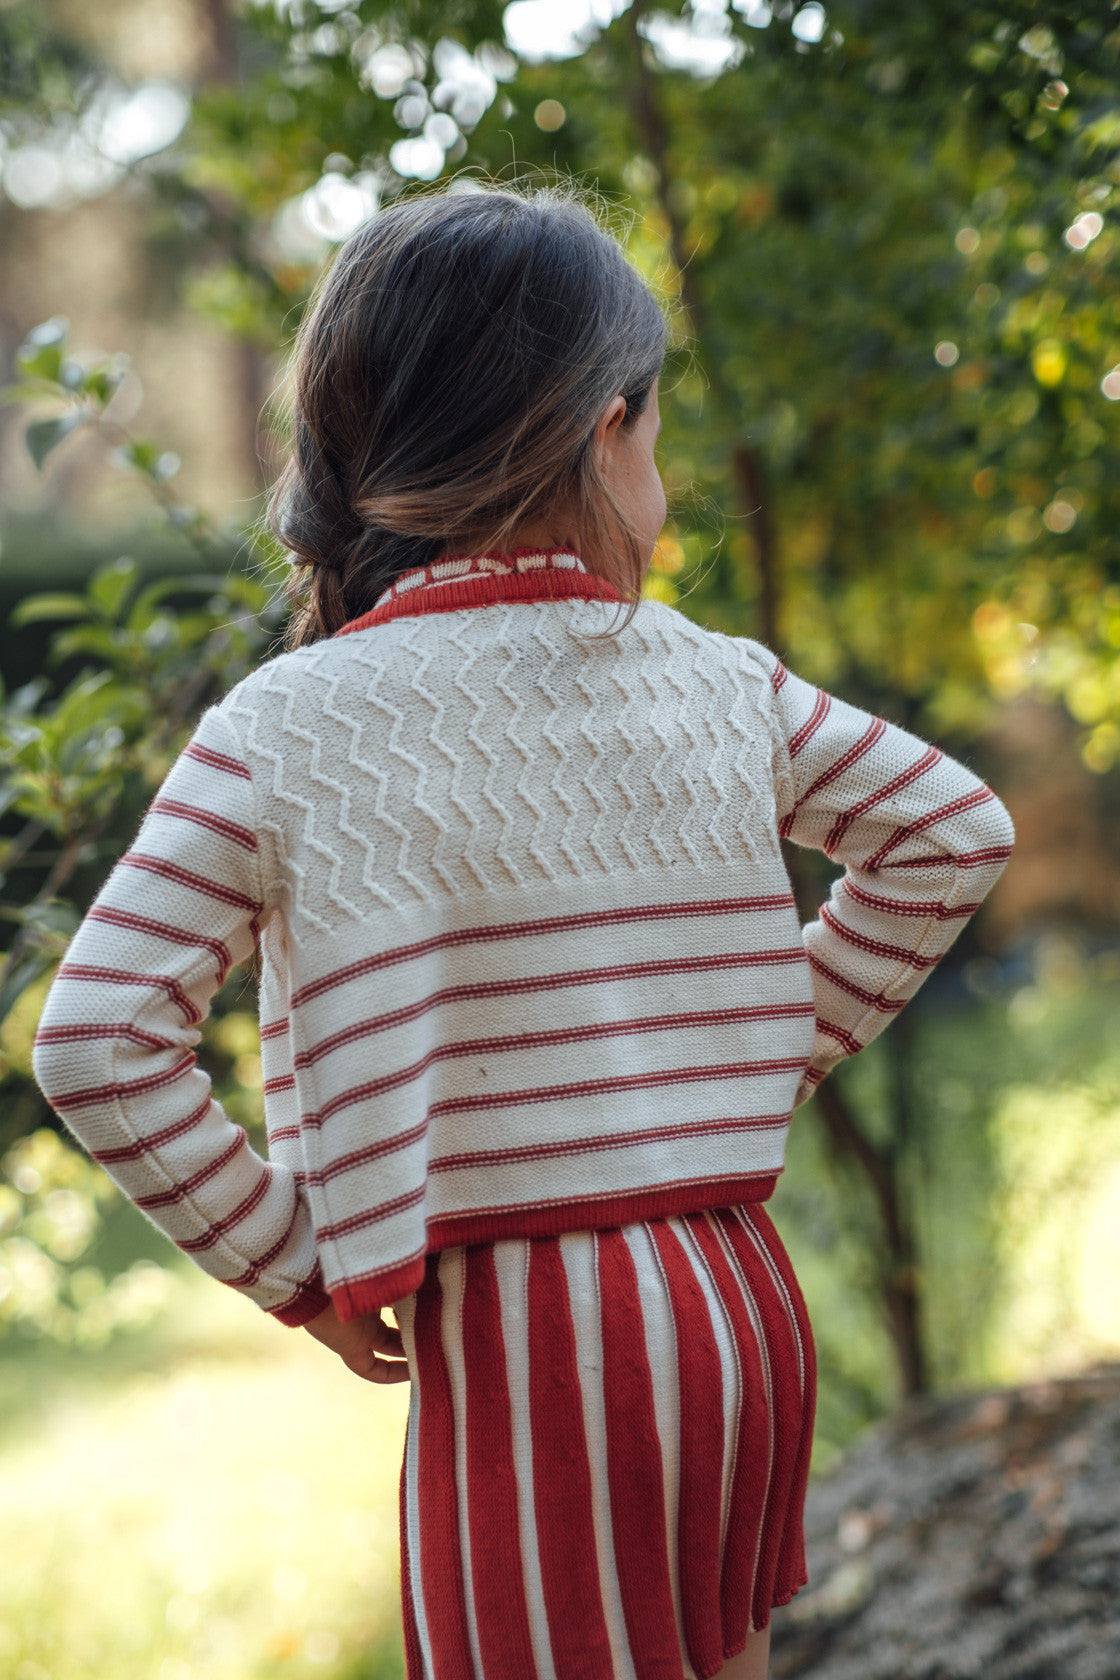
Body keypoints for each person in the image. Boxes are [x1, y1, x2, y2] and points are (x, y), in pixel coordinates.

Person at [32, 183, 1014, 1680]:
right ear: (607, 427)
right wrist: (758, 1048)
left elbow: (100, 1038)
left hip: (539, 1345)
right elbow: (953, 831)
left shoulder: (292, 727)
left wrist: (292, 1263)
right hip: (736, 1297)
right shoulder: (709, 676)